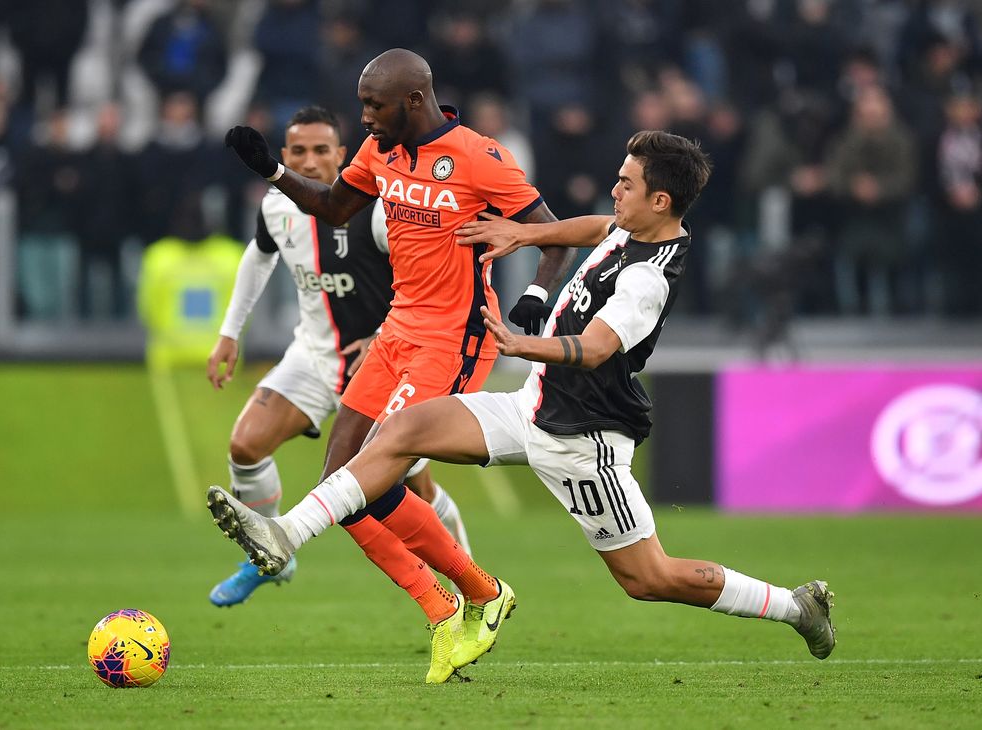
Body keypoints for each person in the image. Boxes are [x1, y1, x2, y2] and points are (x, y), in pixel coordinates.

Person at [207, 130, 837, 682]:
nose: (613, 191)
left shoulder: (647, 279)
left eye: (625, 183)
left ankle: (794, 607)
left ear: (660, 201)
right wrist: (526, 232)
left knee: (649, 579)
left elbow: (592, 349)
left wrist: (519, 342)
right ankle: (284, 534)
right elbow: (594, 228)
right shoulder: (631, 228)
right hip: (532, 408)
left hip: (582, 443)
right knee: (401, 430)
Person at [216, 48, 573, 682]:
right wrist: (271, 169)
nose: (365, 117)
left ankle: (476, 595)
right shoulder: (381, 150)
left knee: (372, 476)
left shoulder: (477, 156)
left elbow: (551, 230)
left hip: (455, 338)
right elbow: (331, 207)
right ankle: (451, 605)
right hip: (398, 329)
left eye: (374, 106)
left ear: (414, 100)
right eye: (361, 106)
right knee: (344, 485)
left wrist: (539, 293)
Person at [206, 105, 472, 606]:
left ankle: (467, 577)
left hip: (384, 362)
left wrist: (380, 335)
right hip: (313, 355)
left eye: (321, 150)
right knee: (245, 446)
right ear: (284, 156)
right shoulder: (276, 207)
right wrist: (229, 332)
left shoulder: (376, 210)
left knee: (415, 493)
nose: (309, 161)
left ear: (342, 155)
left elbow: (424, 278)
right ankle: (267, 557)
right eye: (299, 151)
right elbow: (259, 255)